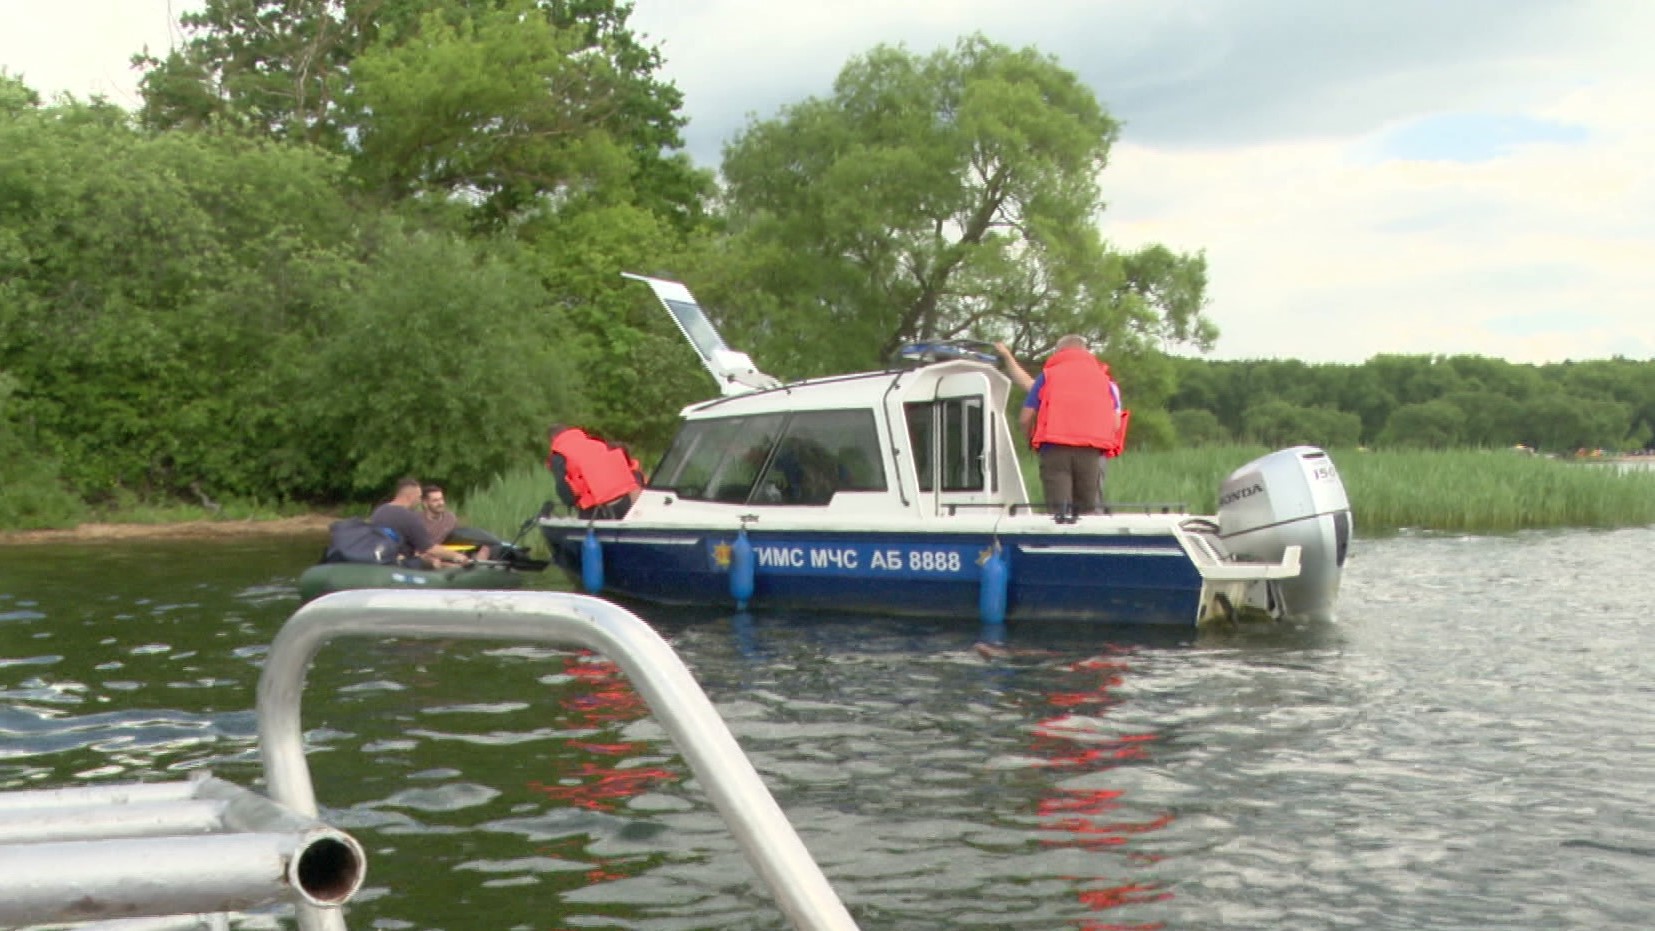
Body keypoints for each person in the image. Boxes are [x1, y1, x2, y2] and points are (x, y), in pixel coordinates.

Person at [995, 337, 1123, 522]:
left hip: (1055, 451)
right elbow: (1116, 424)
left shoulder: (1048, 377)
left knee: (1058, 512)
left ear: (1059, 352)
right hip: (1091, 454)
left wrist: (1030, 440)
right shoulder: (1106, 382)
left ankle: (1058, 544)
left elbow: (1025, 417)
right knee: (1088, 512)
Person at [370, 477, 474, 568]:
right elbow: (429, 548)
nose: (419, 501)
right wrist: (457, 556)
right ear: (410, 497)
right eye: (419, 497)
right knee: (432, 562)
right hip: (403, 565)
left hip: (381, 559)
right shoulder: (409, 517)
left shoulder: (379, 511)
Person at [546, 425, 645, 519]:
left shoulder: (558, 455)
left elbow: (563, 486)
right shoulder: (598, 443)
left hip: (597, 508)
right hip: (624, 499)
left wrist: (571, 502)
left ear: (553, 439)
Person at [421, 483, 492, 561]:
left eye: (441, 499)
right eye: (435, 500)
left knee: (486, 546)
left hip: (452, 553)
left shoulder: (450, 518)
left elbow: (459, 538)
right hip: (432, 556)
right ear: (425, 503)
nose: (441, 503)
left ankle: (479, 567)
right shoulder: (417, 521)